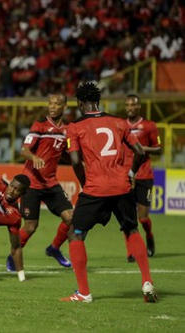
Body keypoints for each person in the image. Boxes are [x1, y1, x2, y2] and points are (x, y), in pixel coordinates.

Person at [61, 81, 156, 303]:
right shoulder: (119, 122)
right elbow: (140, 151)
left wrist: (84, 181)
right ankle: (146, 282)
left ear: (80, 103)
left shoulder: (75, 127)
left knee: (75, 233)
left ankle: (84, 292)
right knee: (132, 230)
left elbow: (75, 160)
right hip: (122, 186)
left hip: (96, 187)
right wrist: (131, 174)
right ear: (99, 101)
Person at [8, 93, 73, 271]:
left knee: (71, 219)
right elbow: (24, 150)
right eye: (50, 103)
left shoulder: (68, 130)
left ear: (64, 107)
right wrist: (34, 157)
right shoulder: (40, 126)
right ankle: (13, 255)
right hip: (31, 183)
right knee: (30, 226)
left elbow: (68, 153)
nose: (52, 107)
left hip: (51, 183)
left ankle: (54, 248)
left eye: (57, 103)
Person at [123, 94, 162, 261]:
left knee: (143, 218)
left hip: (144, 175)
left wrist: (144, 148)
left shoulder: (149, 126)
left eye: (133, 105)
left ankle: (149, 235)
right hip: (125, 175)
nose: (130, 108)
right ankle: (131, 251)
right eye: (127, 105)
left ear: (139, 107)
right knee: (127, 217)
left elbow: (159, 149)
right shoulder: (121, 125)